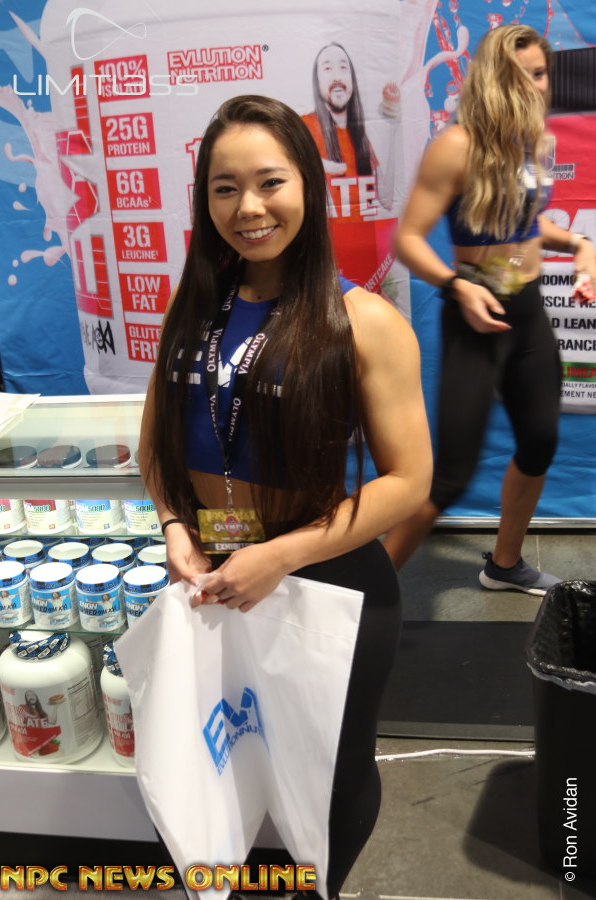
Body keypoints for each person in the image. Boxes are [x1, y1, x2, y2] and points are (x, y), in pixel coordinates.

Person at [139, 95, 431, 898]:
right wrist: (174, 525)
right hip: (212, 576)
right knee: (207, 761)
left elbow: (410, 481)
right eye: (225, 187)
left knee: (329, 776)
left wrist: (281, 555)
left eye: (270, 182)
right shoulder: (192, 309)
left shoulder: (363, 320)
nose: (249, 207)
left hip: (327, 579)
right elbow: (155, 446)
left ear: (308, 183)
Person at [383, 24, 596, 594]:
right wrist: (457, 285)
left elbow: (528, 225)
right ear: (491, 79)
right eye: (519, 74)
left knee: (539, 443)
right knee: (450, 477)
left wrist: (579, 244)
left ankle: (504, 565)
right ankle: (359, 600)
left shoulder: (533, 141)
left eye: (540, 74)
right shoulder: (457, 145)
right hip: (474, 317)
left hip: (527, 314)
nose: (533, 86)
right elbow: (407, 240)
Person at [302, 41, 396, 216]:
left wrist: (394, 127)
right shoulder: (305, 126)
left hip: (365, 232)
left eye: (343, 68)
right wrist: (313, 163)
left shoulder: (361, 137)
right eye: (327, 69)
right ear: (317, 81)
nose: (337, 77)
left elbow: (387, 200)